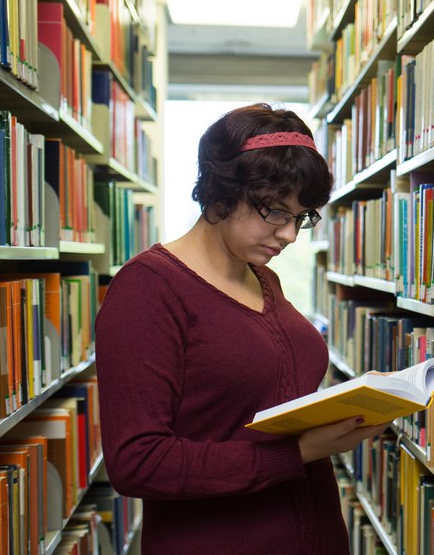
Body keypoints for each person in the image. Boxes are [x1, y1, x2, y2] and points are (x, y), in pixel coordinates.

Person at [95, 104, 387, 554]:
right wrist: (299, 452)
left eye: (302, 216)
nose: (290, 234)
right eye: (275, 212)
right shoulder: (148, 289)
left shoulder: (261, 276)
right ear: (221, 192)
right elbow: (138, 462)